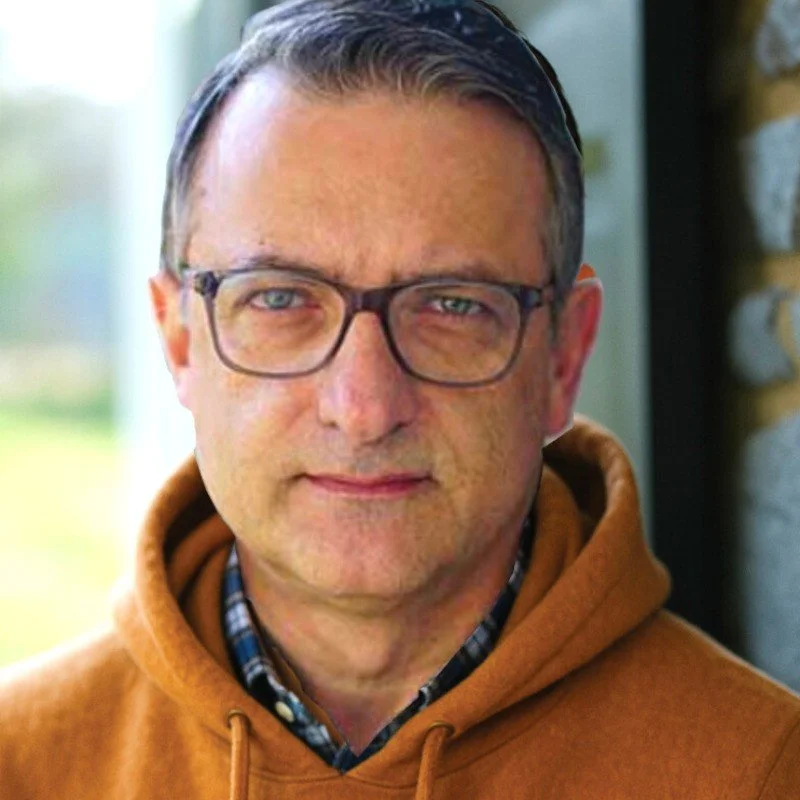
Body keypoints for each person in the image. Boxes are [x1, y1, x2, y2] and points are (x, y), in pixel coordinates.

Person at [2, 0, 799, 797]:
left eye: (452, 304)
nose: (364, 407)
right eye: (280, 299)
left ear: (565, 355)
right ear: (179, 342)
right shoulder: (20, 763)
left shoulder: (762, 769)